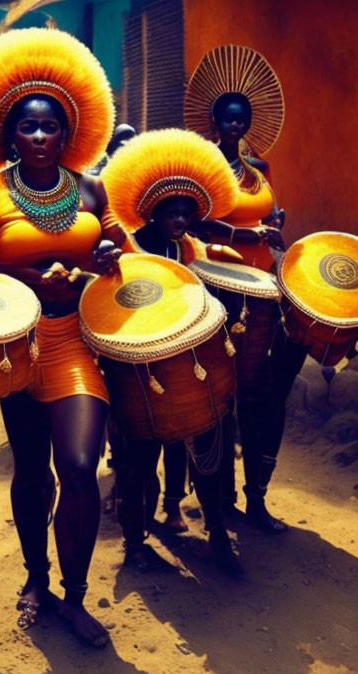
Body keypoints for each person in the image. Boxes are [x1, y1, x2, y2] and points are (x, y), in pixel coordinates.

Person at [0, 28, 124, 646]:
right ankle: (36, 578)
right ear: (8, 136)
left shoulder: (91, 188)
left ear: (68, 131)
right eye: (29, 128)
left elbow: (119, 254)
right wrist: (27, 274)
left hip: (77, 341)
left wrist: (106, 257)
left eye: (51, 126)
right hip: (17, 346)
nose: (42, 137)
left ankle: (75, 598)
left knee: (78, 467)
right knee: (31, 472)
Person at [101, 128, 244, 574]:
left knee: (209, 452)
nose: (180, 219)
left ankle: (218, 533)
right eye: (171, 210)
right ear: (151, 209)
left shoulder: (194, 249)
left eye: (187, 211)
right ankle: (134, 541)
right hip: (137, 368)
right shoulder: (128, 248)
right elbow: (108, 307)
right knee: (136, 459)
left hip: (189, 369)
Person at [185, 45, 304, 532]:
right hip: (218, 290)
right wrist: (244, 235)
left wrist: (274, 227)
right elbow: (194, 221)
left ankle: (255, 499)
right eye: (229, 120)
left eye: (243, 120)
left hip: (262, 291)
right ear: (215, 122)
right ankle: (219, 499)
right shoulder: (201, 167)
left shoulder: (260, 170)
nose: (236, 127)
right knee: (219, 397)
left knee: (259, 395)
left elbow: (269, 217)